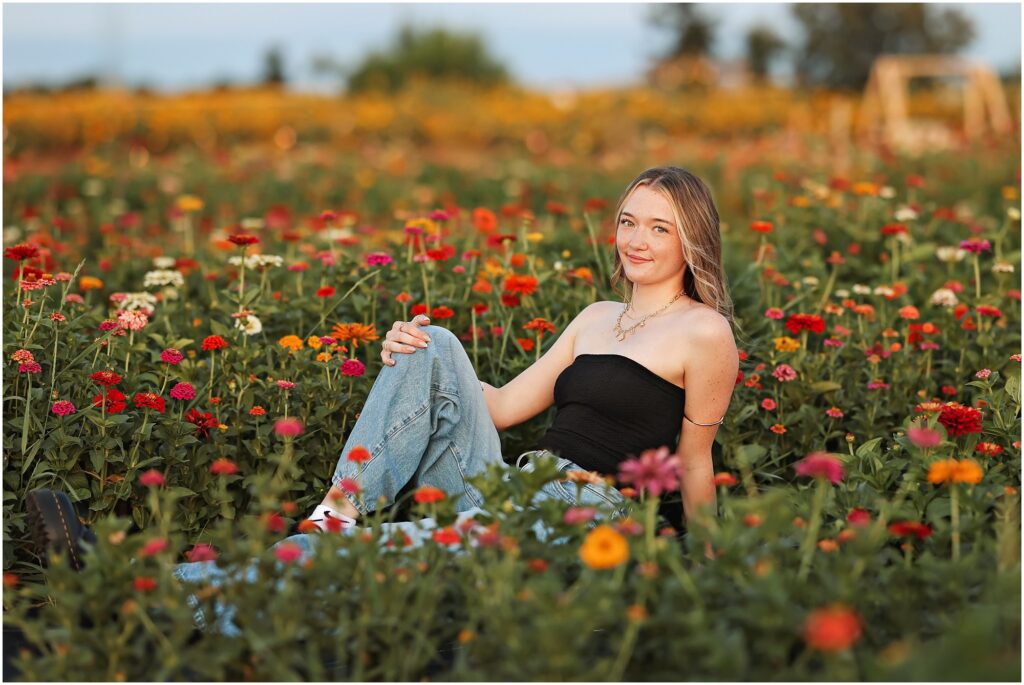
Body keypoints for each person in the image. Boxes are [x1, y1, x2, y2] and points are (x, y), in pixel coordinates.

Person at [28, 165, 738, 575]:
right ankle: (333, 515)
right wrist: (417, 352)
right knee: (432, 340)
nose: (635, 239)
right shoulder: (594, 316)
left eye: (658, 226)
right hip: (510, 487)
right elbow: (496, 410)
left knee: (384, 549)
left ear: (691, 238)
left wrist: (710, 574)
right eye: (627, 220)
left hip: (583, 517)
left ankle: (139, 583)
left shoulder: (704, 332)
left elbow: (695, 463)